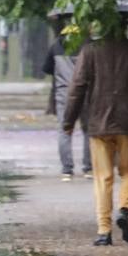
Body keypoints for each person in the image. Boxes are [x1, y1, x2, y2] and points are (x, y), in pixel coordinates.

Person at [62, 31, 128, 247]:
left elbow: (77, 87)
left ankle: (104, 231)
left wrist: (68, 121)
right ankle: (125, 207)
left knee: (102, 177)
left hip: (98, 123)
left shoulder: (90, 50)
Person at [42, 33, 91, 181]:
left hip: (64, 94)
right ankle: (88, 168)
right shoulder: (88, 45)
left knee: (64, 130)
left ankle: (67, 170)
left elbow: (47, 68)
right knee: (88, 130)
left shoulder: (56, 45)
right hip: (85, 93)